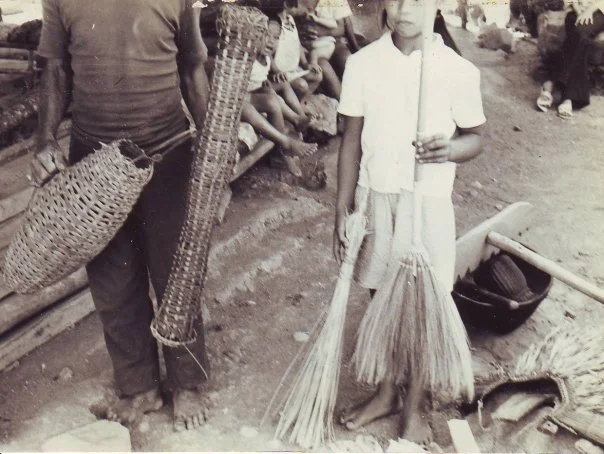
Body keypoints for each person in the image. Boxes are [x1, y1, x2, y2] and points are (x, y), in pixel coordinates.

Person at [32, 0, 212, 432]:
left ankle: (187, 382)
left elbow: (192, 68)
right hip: (93, 158)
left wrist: (212, 141)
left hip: (167, 151)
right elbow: (55, 70)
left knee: (177, 274)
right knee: (113, 279)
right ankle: (139, 387)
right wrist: (44, 139)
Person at [334, 0, 485, 443]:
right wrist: (342, 207)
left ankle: (414, 404)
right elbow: (351, 141)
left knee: (422, 302)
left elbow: (475, 138)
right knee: (382, 294)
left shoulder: (457, 70)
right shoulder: (362, 64)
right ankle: (386, 393)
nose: (404, 9)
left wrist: (450, 149)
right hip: (377, 195)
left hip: (427, 202)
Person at [243, 17, 318, 177]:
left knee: (281, 84)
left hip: (260, 90)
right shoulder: (248, 59)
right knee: (272, 98)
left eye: (276, 37)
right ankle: (284, 153)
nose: (271, 41)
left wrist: (277, 74)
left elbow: (275, 71)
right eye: (267, 35)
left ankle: (299, 117)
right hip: (248, 96)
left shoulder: (267, 58)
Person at [536, 0, 604, 117]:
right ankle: (568, 97)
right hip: (575, 9)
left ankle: (550, 85)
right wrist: (577, 8)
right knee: (575, 35)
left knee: (580, 33)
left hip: (600, 11)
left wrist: (589, 10)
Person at [294, 0, 361, 99]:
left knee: (347, 61)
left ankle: (363, 99)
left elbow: (341, 28)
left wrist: (321, 32)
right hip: (312, 47)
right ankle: (343, 102)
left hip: (334, 41)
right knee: (323, 68)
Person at [270, 1, 324, 99]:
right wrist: (276, 70)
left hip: (293, 70)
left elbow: (297, 44)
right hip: (280, 73)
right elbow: (267, 54)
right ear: (287, 4)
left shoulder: (290, 19)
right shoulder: (275, 24)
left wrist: (306, 64)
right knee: (301, 85)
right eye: (304, 7)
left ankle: (298, 102)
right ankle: (291, 103)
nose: (306, 12)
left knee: (317, 76)